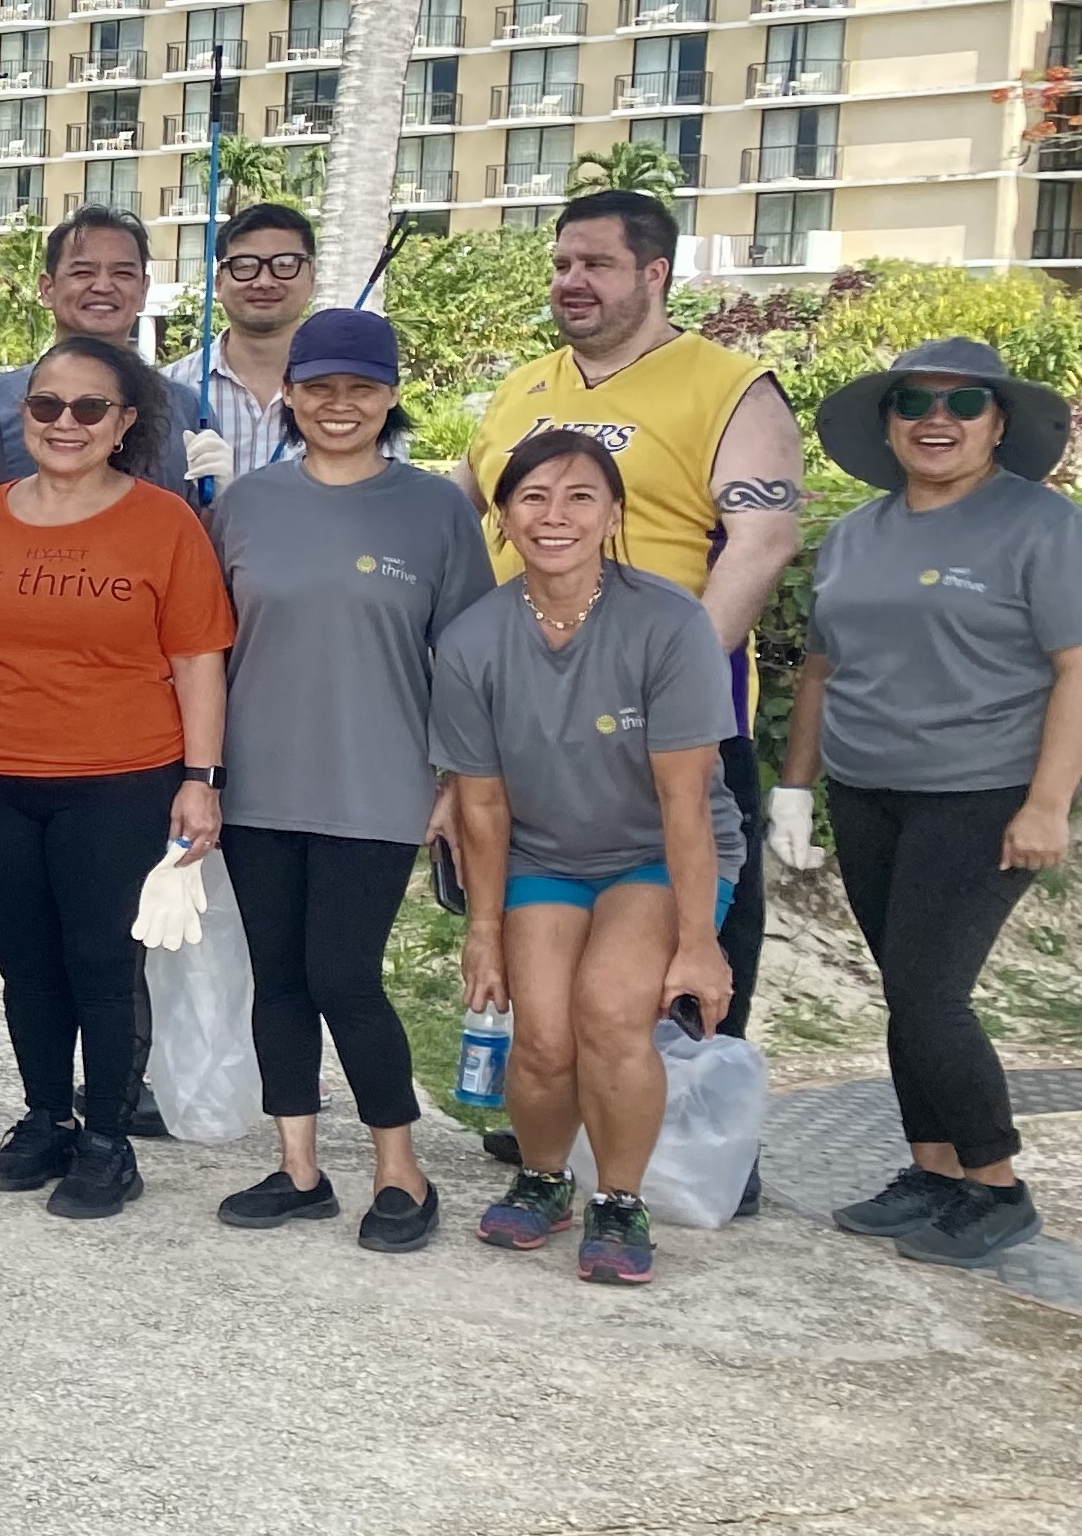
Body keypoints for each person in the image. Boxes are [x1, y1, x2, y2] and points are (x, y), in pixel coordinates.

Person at [462, 190, 801, 1055]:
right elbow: (455, 521)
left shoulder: (730, 388)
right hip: (528, 726)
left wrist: (672, 685)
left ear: (655, 273)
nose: (572, 281)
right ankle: (566, 1113)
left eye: (597, 264)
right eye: (562, 264)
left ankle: (691, 1128)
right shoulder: (523, 387)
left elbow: (763, 542)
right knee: (550, 978)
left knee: (682, 982)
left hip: (665, 727)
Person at [0, 333, 233, 1222]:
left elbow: (198, 658)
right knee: (27, 960)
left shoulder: (164, 522)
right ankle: (45, 1119)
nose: (66, 423)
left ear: (124, 423)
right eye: (46, 405)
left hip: (120, 775)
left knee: (100, 960)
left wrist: (201, 777)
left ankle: (107, 1139)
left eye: (90, 407)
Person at [783, 340, 1082, 1268]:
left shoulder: (1042, 523)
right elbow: (821, 670)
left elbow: (1075, 668)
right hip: (867, 790)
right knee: (903, 990)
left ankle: (997, 1184)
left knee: (929, 992)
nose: (936, 420)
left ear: (999, 423)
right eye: (914, 402)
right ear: (888, 423)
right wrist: (793, 788)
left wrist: (1048, 803)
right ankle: (933, 1170)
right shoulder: (856, 533)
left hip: (980, 792)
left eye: (963, 403)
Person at [205, 307, 490, 1251]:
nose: (339, 405)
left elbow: (471, 659)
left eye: (360, 388)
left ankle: (400, 1172)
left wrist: (458, 782)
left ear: (391, 396)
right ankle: (298, 1168)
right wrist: (198, 772)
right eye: (318, 387)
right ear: (289, 395)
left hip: (379, 784)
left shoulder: (436, 510)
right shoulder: (244, 506)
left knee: (344, 975)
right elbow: (205, 648)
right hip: (258, 784)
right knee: (279, 979)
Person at [438, 427, 742, 1288]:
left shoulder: (669, 623)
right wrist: (484, 932)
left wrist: (698, 941)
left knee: (609, 1012)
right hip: (545, 853)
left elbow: (685, 802)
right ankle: (543, 1180)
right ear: (502, 518)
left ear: (613, 516)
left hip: (656, 853)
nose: (555, 516)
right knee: (541, 1036)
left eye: (580, 497)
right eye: (532, 498)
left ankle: (619, 1198)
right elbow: (481, 805)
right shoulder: (472, 640)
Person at [0, 203, 185, 1131]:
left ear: (145, 288)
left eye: (122, 270)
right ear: (47, 287)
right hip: (4, 707)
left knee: (106, 915)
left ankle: (116, 1084)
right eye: (82, 269)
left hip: (120, 707)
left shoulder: (175, 406)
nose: (102, 286)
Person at [166, 204, 397, 490]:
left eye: (285, 265)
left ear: (312, 276)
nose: (264, 281)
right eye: (245, 266)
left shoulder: (359, 398)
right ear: (219, 282)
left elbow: (388, 495)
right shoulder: (168, 390)